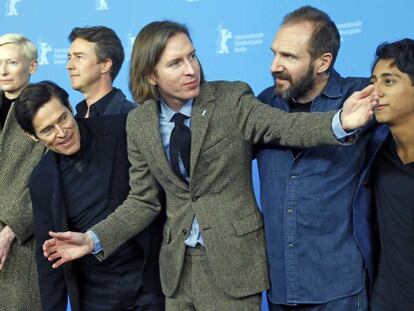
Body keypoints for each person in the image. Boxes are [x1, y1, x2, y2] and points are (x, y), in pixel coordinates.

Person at [42, 21, 376, 310]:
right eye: (175, 63)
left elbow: (283, 126)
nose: (191, 69)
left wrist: (339, 122)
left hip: (234, 264)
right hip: (176, 271)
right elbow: (143, 201)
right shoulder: (140, 122)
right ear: (150, 75)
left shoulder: (230, 99)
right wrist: (93, 239)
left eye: (192, 56)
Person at [256, 6, 375, 310]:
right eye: (275, 53)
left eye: (289, 57)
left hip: (340, 291)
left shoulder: (361, 98)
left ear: (323, 62)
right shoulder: (262, 105)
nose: (274, 66)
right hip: (280, 291)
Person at [14, 81, 165, 311]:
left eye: (62, 118)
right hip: (95, 296)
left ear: (70, 108)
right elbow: (49, 257)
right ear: (32, 136)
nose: (62, 133)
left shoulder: (121, 130)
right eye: (47, 130)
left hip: (150, 281)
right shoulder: (41, 180)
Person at [361, 38, 414, 311]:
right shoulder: (375, 148)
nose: (376, 92)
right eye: (374, 81)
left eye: (389, 81)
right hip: (385, 300)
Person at [0, 33, 44, 310]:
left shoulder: (47, 110)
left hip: (21, 242)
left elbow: (51, 180)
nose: (3, 70)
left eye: (12, 62)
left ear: (32, 67)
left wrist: (11, 228)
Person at [67, 26, 136, 118]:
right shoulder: (75, 120)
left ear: (105, 65)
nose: (69, 66)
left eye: (79, 57)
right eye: (69, 58)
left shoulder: (132, 116)